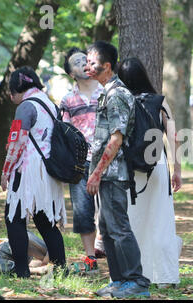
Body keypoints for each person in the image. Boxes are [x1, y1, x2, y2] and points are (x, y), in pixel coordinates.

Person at [85, 41, 150, 298]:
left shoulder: (117, 94)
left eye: (92, 62)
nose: (87, 66)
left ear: (107, 65)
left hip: (113, 173)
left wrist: (97, 172)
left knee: (120, 229)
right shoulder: (106, 92)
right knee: (108, 229)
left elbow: (116, 139)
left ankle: (137, 282)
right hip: (105, 173)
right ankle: (119, 280)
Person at [117, 57, 183, 288]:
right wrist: (178, 171)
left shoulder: (120, 101)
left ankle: (135, 274)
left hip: (129, 169)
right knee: (161, 220)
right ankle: (165, 276)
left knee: (132, 221)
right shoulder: (160, 102)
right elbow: (174, 137)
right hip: (157, 165)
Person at [1, 66, 67, 279]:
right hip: (49, 171)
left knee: (15, 219)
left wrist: (6, 172)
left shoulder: (26, 106)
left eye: (11, 93)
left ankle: (21, 271)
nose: (11, 97)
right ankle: (61, 269)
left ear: (16, 89)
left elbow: (16, 144)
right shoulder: (50, 104)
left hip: (27, 171)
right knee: (46, 222)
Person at [60, 47, 104, 273]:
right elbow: (65, 132)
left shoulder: (107, 91)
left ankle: (111, 251)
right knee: (83, 212)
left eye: (86, 60)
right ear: (71, 73)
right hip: (79, 163)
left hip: (108, 159)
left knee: (110, 209)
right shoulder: (67, 100)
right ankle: (91, 260)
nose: (84, 64)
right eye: (77, 62)